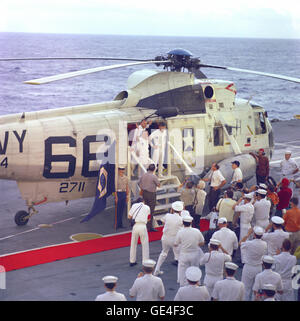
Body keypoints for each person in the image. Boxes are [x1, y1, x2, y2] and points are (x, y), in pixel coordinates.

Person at [154, 201, 183, 276]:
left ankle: (156, 270)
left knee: (163, 253)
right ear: (180, 210)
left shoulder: (167, 216)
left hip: (165, 237)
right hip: (175, 240)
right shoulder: (181, 219)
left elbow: (162, 221)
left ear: (172, 209)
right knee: (179, 257)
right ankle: (180, 276)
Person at [174, 215, 205, 286]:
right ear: (191, 222)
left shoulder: (180, 232)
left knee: (183, 271)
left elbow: (176, 244)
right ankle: (197, 284)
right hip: (194, 253)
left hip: (184, 254)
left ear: (183, 223)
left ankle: (183, 286)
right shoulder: (197, 231)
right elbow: (202, 242)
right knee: (195, 269)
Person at [239, 226, 268, 301]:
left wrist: (248, 234)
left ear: (254, 235)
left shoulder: (249, 243)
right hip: (258, 267)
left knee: (246, 288)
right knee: (256, 289)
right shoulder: (264, 244)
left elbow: (240, 243)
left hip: (248, 267)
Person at [128, 198, 150, 266]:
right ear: (143, 201)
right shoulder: (147, 207)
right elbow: (149, 218)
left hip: (135, 226)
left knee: (133, 244)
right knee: (145, 244)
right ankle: (145, 262)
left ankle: (132, 261)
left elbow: (129, 216)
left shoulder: (134, 205)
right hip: (143, 226)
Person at [138, 164, 160, 232]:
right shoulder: (153, 176)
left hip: (144, 193)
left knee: (145, 210)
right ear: (154, 169)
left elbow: (139, 183)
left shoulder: (143, 175)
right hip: (151, 194)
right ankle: (149, 227)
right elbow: (159, 185)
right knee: (151, 211)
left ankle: (145, 225)